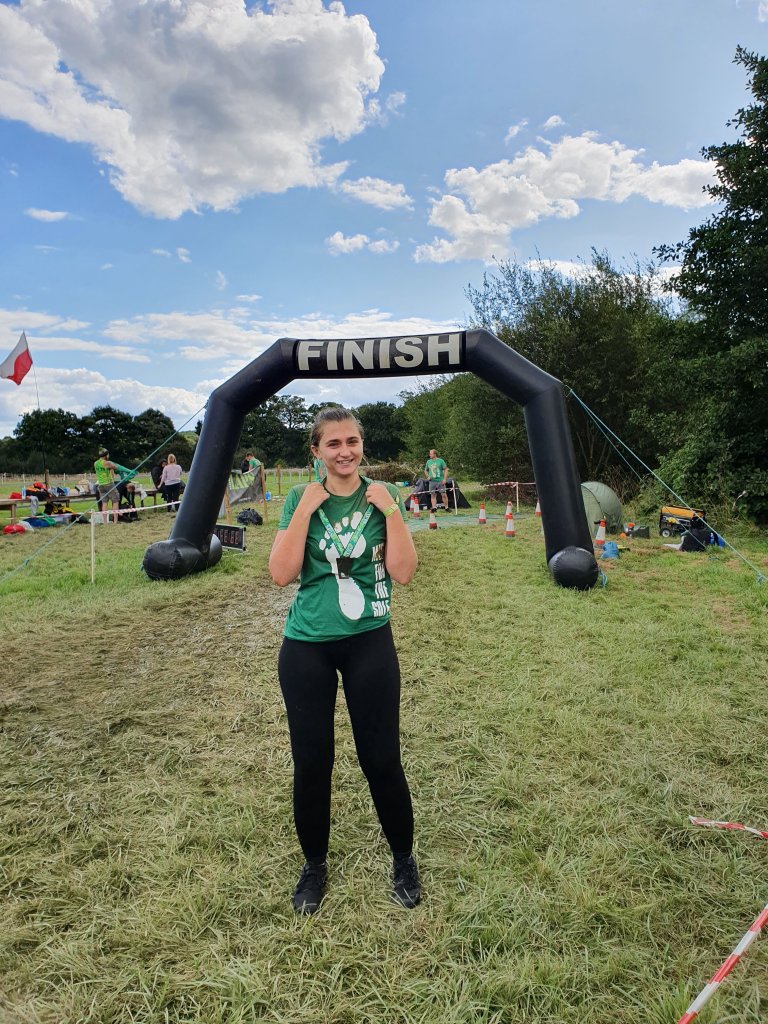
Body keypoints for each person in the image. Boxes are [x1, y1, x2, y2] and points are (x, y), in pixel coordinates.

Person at [269, 406, 421, 915]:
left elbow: (404, 573)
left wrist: (392, 511)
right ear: (316, 451)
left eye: (351, 441)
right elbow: (281, 574)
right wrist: (305, 512)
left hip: (368, 642)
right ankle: (314, 865)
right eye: (332, 444)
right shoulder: (299, 497)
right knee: (312, 763)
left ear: (361, 445)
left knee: (382, 758)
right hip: (306, 646)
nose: (344, 452)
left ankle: (403, 859)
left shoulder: (383, 494)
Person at [93, 448, 120, 524]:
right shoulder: (107, 463)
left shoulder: (95, 463)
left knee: (104, 503)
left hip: (100, 485)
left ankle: (105, 522)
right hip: (109, 484)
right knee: (115, 501)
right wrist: (111, 463)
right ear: (106, 455)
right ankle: (115, 521)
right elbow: (116, 467)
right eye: (108, 454)